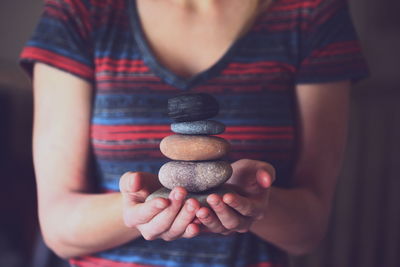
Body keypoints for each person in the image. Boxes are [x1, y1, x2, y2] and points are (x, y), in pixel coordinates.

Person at [20, 0, 369, 266]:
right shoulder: (80, 12)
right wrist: (139, 210)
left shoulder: (312, 12)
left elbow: (309, 229)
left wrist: (257, 204)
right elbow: (58, 227)